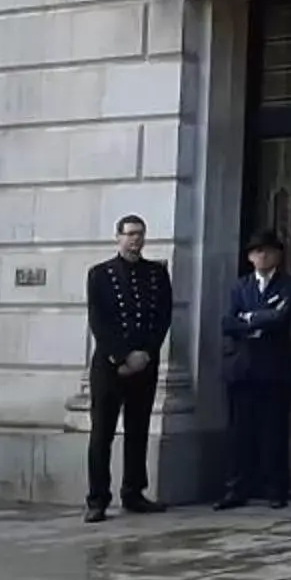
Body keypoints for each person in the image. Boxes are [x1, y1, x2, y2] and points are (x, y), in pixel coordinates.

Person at [84, 215, 172, 523]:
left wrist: (146, 353)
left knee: (138, 430)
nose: (135, 239)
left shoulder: (157, 274)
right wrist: (121, 357)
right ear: (118, 237)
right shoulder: (100, 274)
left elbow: (163, 316)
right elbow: (98, 321)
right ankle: (97, 498)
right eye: (130, 234)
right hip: (109, 367)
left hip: (144, 365)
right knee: (101, 434)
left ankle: (133, 492)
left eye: (140, 234)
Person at [218, 231, 291, 510]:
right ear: (250, 257)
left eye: (268, 251)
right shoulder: (240, 287)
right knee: (239, 432)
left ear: (277, 255)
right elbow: (228, 323)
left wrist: (249, 318)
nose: (262, 256)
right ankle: (236, 488)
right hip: (242, 369)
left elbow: (281, 317)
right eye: (257, 252)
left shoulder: (289, 285)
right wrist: (258, 320)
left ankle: (275, 489)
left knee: (273, 432)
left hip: (274, 368)